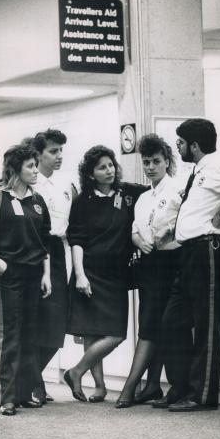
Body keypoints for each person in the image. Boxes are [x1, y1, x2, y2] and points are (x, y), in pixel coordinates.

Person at [154, 118, 220, 412]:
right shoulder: (196, 171)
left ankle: (202, 396)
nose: (177, 146)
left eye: (181, 142)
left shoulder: (216, 164)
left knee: (206, 323)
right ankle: (181, 387)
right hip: (188, 253)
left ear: (194, 145)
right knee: (171, 322)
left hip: (207, 251)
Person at [0, 144, 51, 416]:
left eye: (36, 165)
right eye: (30, 166)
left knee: (30, 334)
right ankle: (7, 397)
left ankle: (25, 393)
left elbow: (45, 241)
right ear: (15, 169)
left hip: (33, 275)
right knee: (10, 333)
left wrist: (46, 275)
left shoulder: (37, 201)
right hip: (9, 274)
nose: (36, 170)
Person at [64, 145, 146, 403]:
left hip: (118, 274)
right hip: (89, 271)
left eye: (111, 165)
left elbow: (158, 192)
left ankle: (76, 371)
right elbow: (76, 240)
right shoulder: (82, 202)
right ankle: (99, 387)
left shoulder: (129, 193)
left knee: (116, 334)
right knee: (92, 331)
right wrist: (80, 275)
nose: (109, 170)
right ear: (91, 174)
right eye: (102, 167)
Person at [115, 134, 182, 408]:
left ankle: (130, 387)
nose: (151, 166)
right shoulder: (143, 198)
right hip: (148, 265)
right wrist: (139, 240)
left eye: (156, 161)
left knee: (154, 326)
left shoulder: (178, 190)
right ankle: (152, 384)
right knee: (152, 324)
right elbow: (134, 230)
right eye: (146, 162)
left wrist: (167, 233)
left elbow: (186, 224)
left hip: (171, 263)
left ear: (167, 161)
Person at [31, 129, 77, 404]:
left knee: (57, 323)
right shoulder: (30, 181)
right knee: (37, 320)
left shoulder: (66, 182)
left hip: (59, 250)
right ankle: (32, 382)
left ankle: (31, 378)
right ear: (38, 154)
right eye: (53, 151)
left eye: (61, 150)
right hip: (35, 251)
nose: (59, 156)